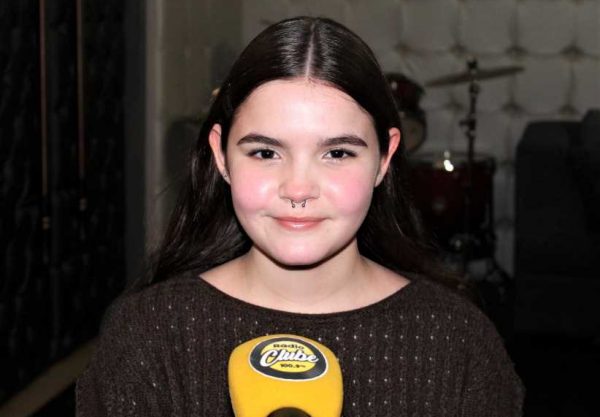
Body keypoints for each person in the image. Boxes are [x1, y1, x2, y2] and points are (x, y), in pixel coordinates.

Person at [76, 16, 524, 417]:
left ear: (384, 159)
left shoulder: (458, 344)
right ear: (221, 156)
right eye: (265, 152)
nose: (297, 189)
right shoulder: (146, 336)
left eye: (337, 153)